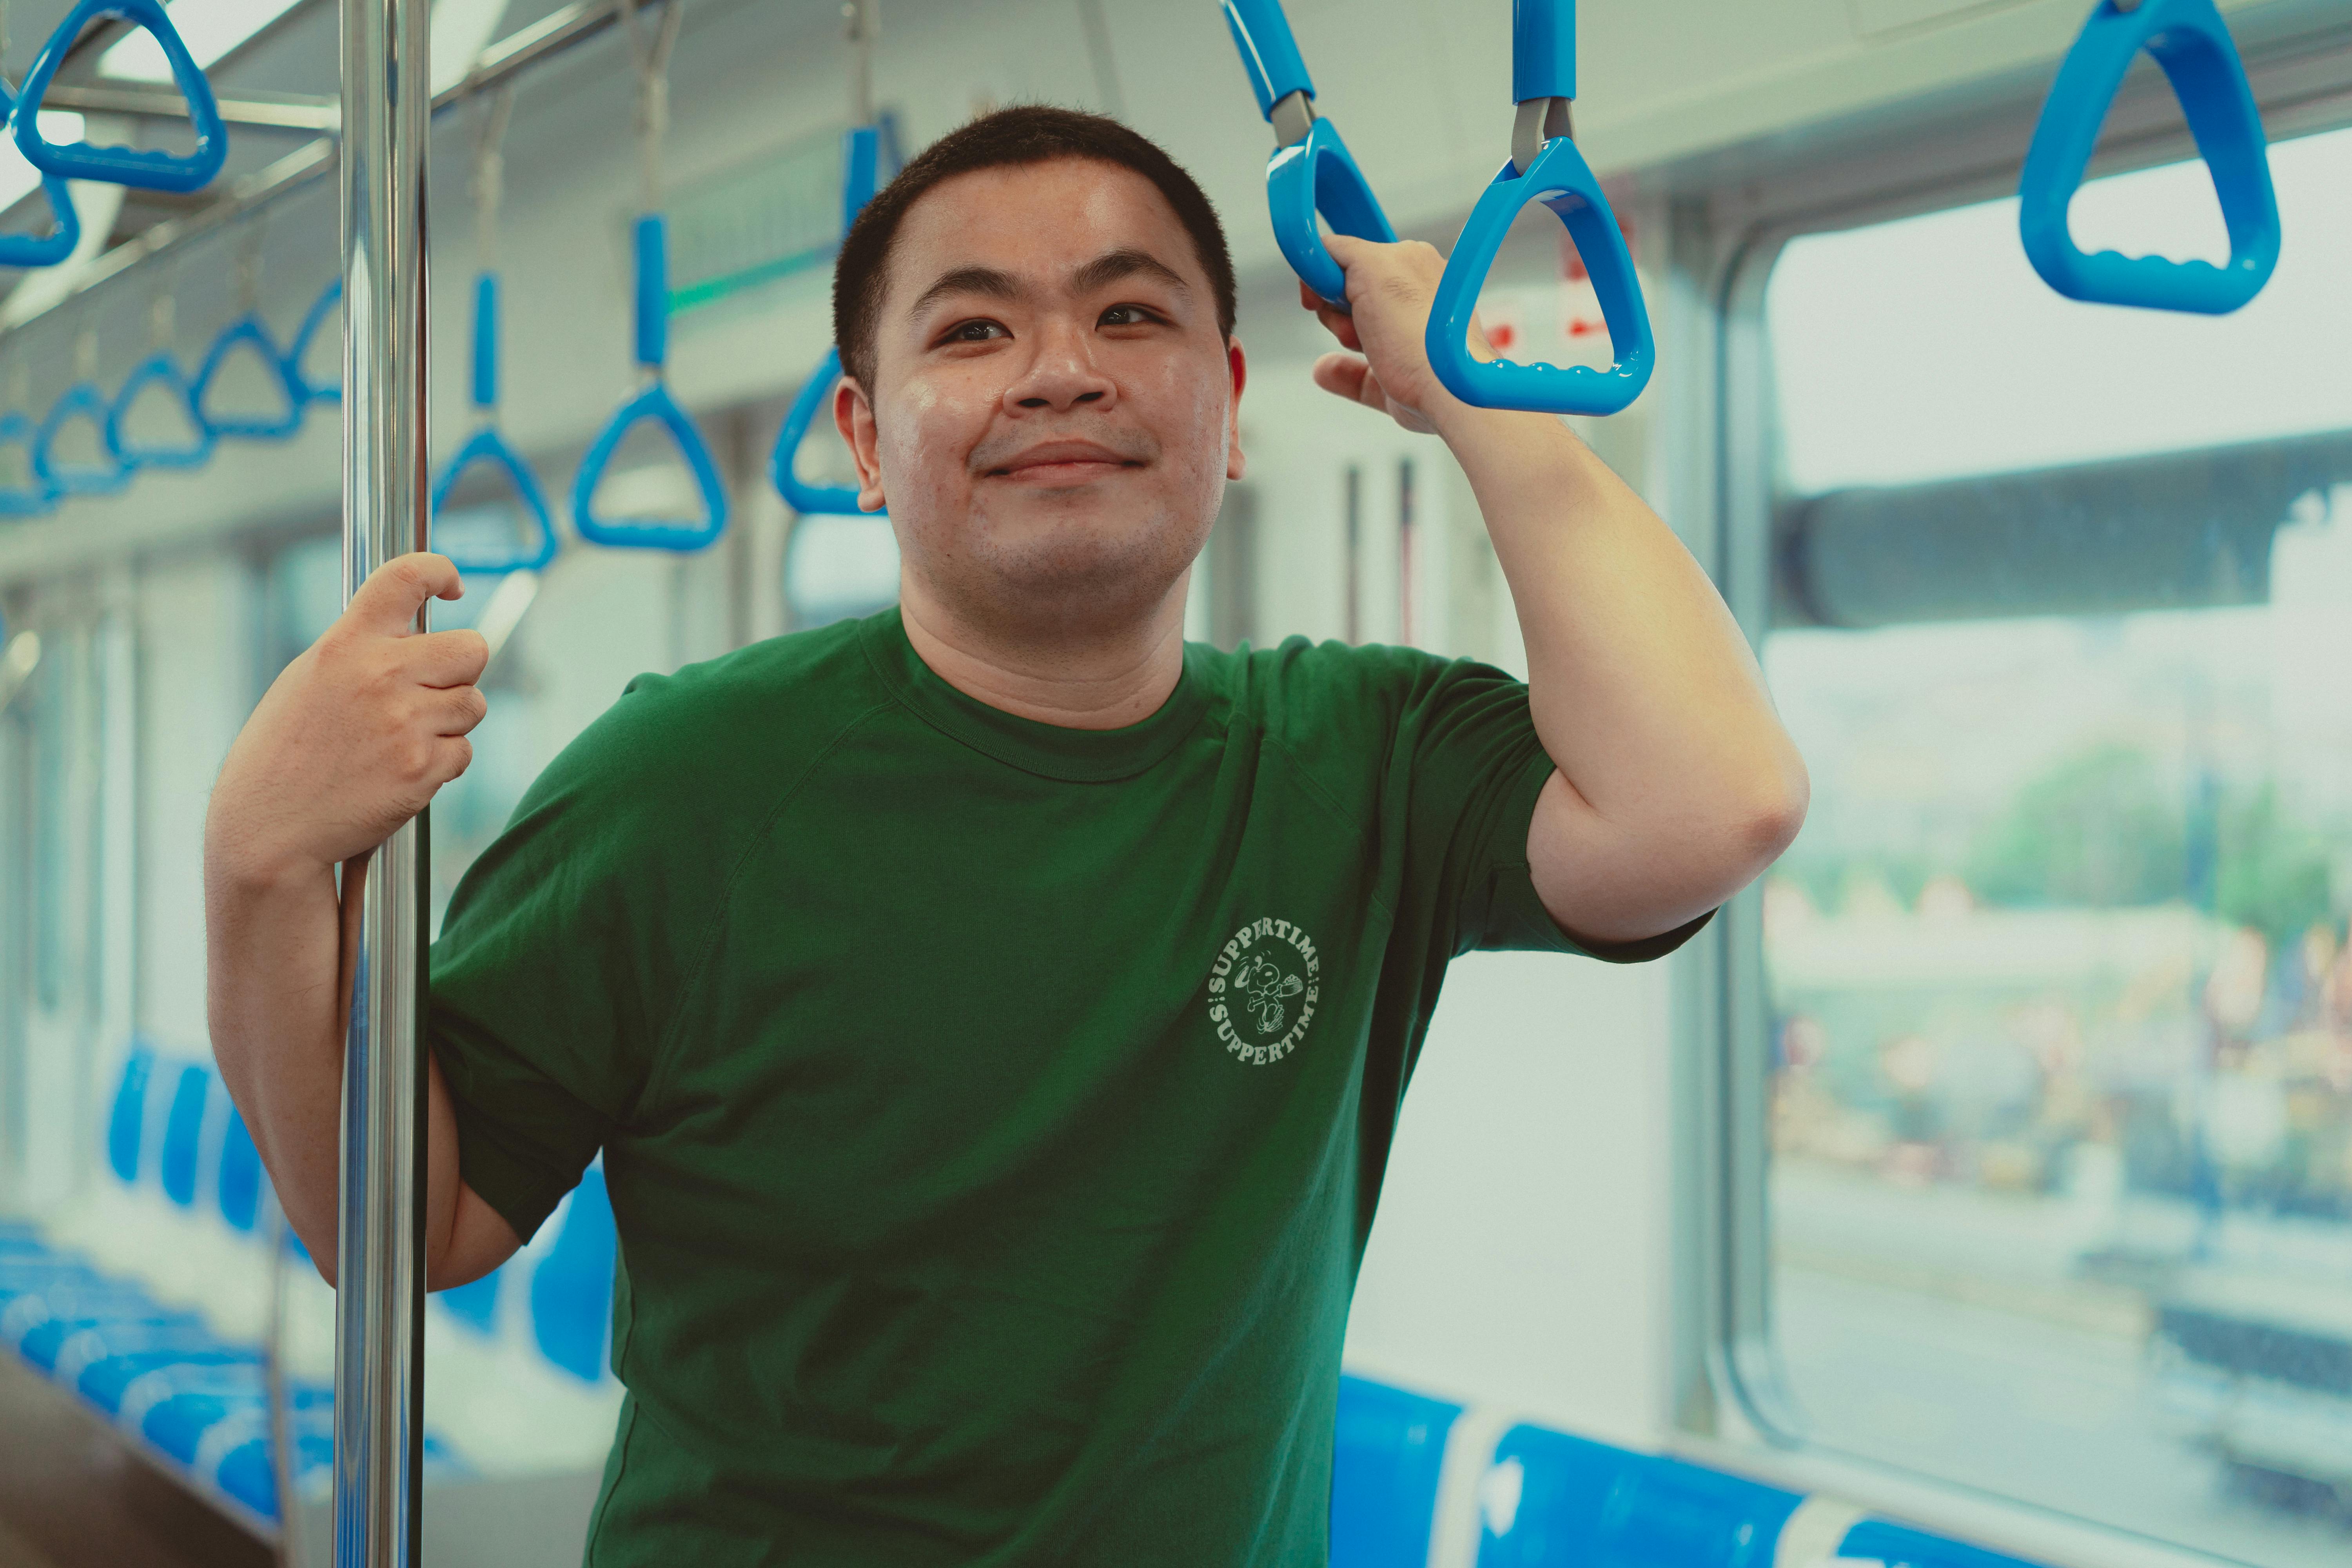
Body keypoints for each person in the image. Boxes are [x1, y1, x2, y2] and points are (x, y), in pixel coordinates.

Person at [205, 107, 1807, 1565]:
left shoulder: (1359, 760)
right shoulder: (681, 783)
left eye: (1131, 314)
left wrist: (1470, 395)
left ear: (1230, 408)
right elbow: (411, 1222)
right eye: (974, 328)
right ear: (861, 436)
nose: (1062, 369)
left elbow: (1712, 800)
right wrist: (259, 870)